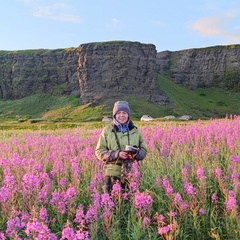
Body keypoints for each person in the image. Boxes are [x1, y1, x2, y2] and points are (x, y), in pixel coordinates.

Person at [95, 101, 147, 194]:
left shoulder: (136, 130)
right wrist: (117, 154)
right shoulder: (107, 130)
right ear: (114, 115)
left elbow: (144, 151)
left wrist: (136, 153)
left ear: (128, 115)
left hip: (132, 173)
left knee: (131, 203)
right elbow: (99, 152)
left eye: (124, 113)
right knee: (112, 203)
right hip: (112, 173)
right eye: (118, 113)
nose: (121, 115)